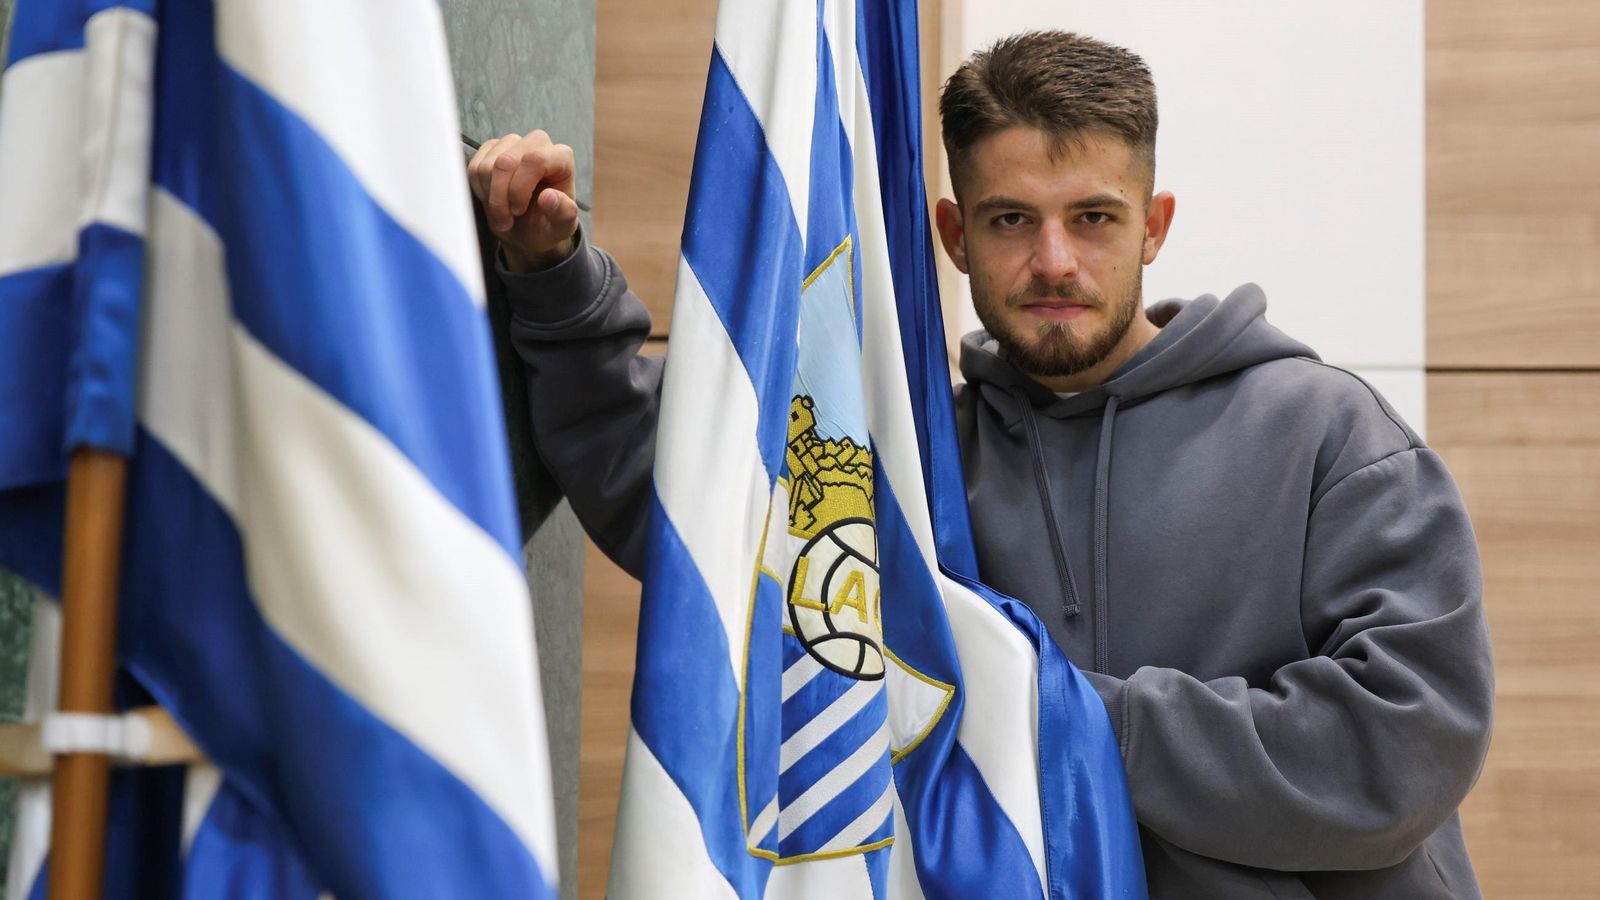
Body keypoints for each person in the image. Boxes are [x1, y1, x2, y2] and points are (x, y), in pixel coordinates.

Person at [468, 30, 1493, 900]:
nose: (1054, 261)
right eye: (1011, 220)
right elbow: (688, 509)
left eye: (1092, 217)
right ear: (954, 236)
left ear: (1154, 228)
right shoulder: (912, 476)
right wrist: (556, 285)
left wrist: (1049, 715)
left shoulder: (1328, 438)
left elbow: (1400, 747)